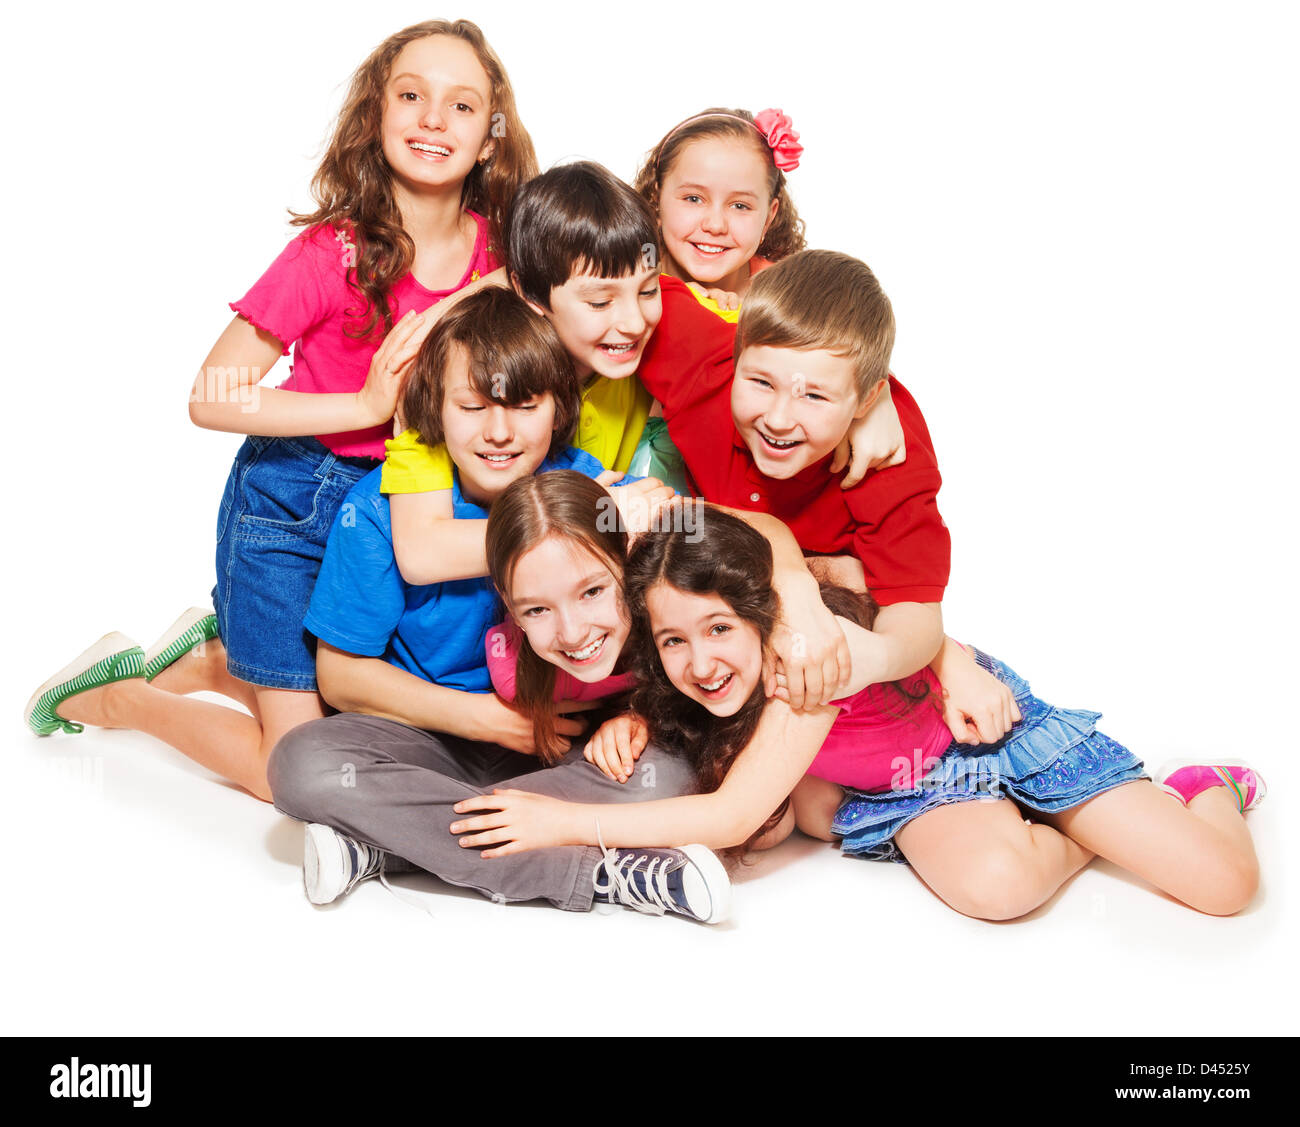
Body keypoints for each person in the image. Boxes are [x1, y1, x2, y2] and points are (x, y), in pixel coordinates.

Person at [24, 20, 536, 802]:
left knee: (371, 725)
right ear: (374, 115)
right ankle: (116, 696)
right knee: (296, 772)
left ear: (491, 135)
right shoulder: (329, 255)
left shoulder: (501, 253)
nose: (435, 119)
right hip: (296, 504)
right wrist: (364, 402)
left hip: (414, 510)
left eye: (461, 106)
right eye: (411, 96)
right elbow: (211, 394)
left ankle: (217, 660)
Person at [450, 506, 1265, 920]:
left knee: (1225, 888)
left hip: (985, 737)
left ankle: (1200, 788)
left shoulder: (805, 665)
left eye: (721, 628)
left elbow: (730, 816)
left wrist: (554, 820)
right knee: (999, 885)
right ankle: (1051, 834)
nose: (699, 661)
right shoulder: (690, 680)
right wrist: (634, 721)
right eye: (672, 639)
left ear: (766, 613)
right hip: (906, 787)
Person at [267, 292, 731, 924]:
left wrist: (636, 715)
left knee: (677, 767)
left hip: (570, 743)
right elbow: (342, 678)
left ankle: (394, 843)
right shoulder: (380, 510)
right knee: (303, 763)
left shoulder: (591, 489)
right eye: (472, 406)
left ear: (559, 407)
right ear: (434, 408)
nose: (499, 433)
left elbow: (656, 627)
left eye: (524, 404)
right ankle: (600, 870)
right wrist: (491, 720)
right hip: (431, 741)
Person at [380, 161, 906, 576]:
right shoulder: (464, 377)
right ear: (532, 294)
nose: (633, 322)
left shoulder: (666, 331)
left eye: (648, 289)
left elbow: (824, 341)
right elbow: (424, 552)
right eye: (600, 302)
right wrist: (591, 516)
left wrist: (880, 403)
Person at [632, 106, 806, 316]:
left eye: (740, 206)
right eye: (693, 199)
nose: (715, 226)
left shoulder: (788, 299)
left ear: (768, 218)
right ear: (656, 200)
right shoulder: (627, 273)